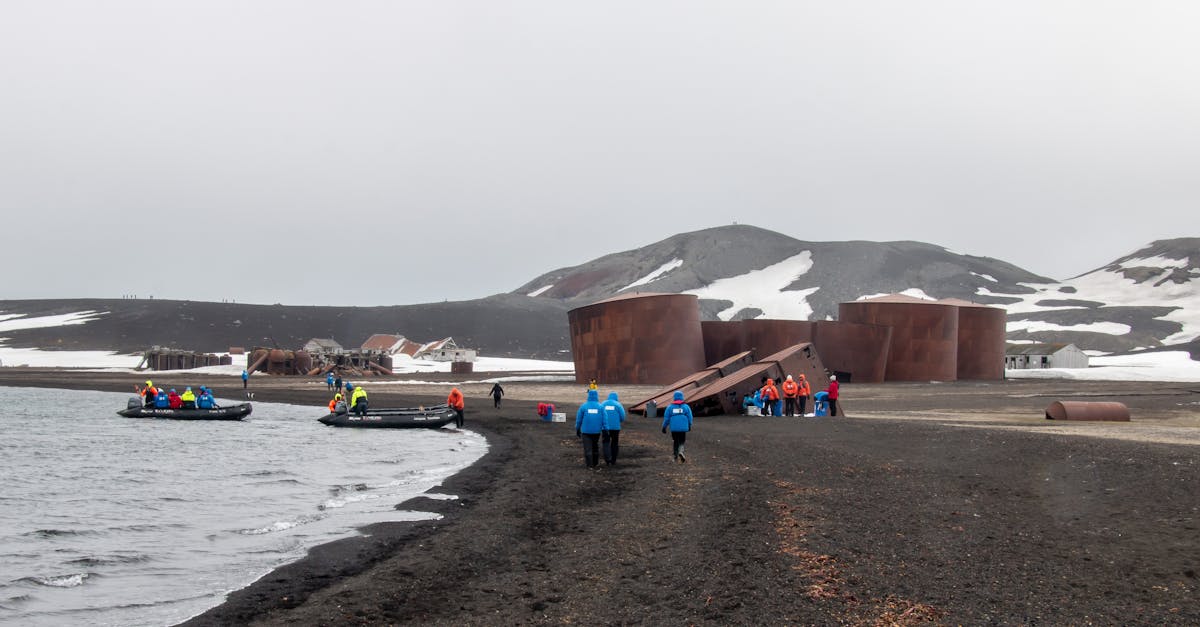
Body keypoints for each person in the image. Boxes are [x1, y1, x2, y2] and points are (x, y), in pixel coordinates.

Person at [661, 390, 693, 463]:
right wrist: (690, 424)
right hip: (683, 428)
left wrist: (664, 427)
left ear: (674, 398)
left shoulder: (670, 407)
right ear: (682, 397)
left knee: (675, 441)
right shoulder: (686, 407)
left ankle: (675, 457)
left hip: (674, 428)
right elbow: (690, 417)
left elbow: (666, 418)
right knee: (682, 440)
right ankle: (681, 451)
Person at [575, 389, 604, 468]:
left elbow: (579, 419)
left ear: (588, 396)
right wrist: (606, 429)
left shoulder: (584, 406)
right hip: (596, 431)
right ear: (597, 396)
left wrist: (577, 428)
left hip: (586, 431)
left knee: (588, 448)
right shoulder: (601, 406)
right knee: (595, 446)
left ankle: (589, 465)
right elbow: (605, 419)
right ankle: (595, 463)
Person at [600, 391, 626, 466]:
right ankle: (613, 460)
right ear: (616, 398)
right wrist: (618, 421)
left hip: (605, 428)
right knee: (614, 443)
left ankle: (607, 460)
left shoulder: (603, 404)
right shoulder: (618, 405)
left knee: (606, 443)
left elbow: (600, 414)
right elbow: (622, 417)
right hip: (615, 428)